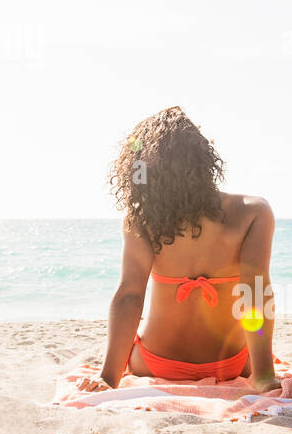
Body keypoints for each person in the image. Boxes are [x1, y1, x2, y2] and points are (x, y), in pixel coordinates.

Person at [77, 106, 278, 393]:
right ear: (203, 161)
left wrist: (108, 377)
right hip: (230, 364)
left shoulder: (142, 219)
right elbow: (255, 294)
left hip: (156, 362)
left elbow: (130, 295)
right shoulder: (253, 212)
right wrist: (264, 375)